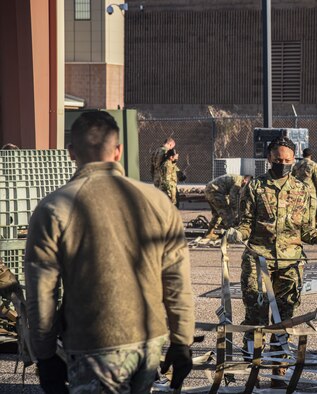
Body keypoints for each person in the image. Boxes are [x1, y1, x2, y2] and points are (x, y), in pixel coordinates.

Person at [24, 111, 195, 393]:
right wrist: (181, 341)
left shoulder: (54, 208)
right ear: (118, 151)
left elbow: (42, 293)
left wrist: (44, 355)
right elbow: (177, 280)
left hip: (92, 342)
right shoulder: (158, 202)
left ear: (71, 153)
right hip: (148, 342)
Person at [226, 136, 317, 388]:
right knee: (255, 318)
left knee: (285, 318)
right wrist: (237, 233)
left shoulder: (303, 189)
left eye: (288, 160)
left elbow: (308, 231)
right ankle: (252, 374)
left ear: (294, 160)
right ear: (269, 158)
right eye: (278, 160)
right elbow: (245, 224)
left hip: (290, 263)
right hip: (259, 259)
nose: (283, 164)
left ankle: (279, 373)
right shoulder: (255, 187)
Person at [203, 173, 251, 240]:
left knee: (217, 214)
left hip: (210, 191)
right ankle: (232, 236)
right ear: (245, 180)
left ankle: (209, 234)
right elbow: (232, 198)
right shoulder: (238, 182)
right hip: (215, 192)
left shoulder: (237, 179)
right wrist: (236, 211)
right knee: (228, 215)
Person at [292, 148, 317, 229]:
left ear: (303, 154)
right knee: (311, 214)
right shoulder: (313, 165)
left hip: (299, 193)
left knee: (300, 213)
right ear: (311, 156)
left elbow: (292, 178)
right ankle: (311, 233)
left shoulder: (296, 165)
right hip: (311, 194)